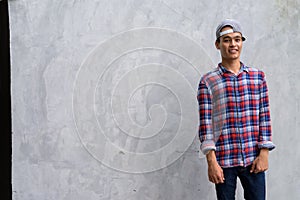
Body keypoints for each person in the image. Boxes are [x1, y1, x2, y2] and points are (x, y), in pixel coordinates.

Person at [197, 19, 275, 200]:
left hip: (253, 159)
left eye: (237, 39)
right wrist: (212, 162)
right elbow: (206, 125)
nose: (233, 44)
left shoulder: (257, 77)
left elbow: (264, 115)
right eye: (227, 40)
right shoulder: (208, 81)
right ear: (218, 45)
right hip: (224, 161)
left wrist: (264, 153)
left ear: (241, 42)